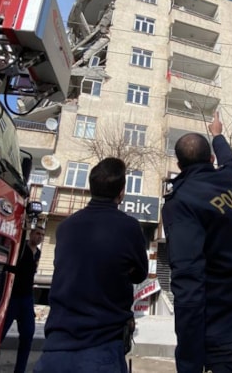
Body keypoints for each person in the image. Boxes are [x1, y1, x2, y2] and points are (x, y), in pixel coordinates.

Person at [162, 111, 232, 373]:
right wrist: (217, 135)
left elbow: (188, 286)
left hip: (229, 341)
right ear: (211, 159)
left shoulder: (181, 203)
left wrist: (189, 364)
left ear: (179, 166)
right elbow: (230, 162)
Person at [34, 157, 149, 373]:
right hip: (101, 348)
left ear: (90, 188)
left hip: (55, 348)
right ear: (122, 192)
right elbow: (139, 274)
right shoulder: (129, 227)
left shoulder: (66, 227)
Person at [1, 226, 45, 373]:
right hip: (12, 297)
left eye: (42, 235)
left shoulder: (37, 253)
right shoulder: (20, 249)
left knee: (27, 336)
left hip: (27, 298)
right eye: (37, 233)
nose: (39, 237)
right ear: (31, 234)